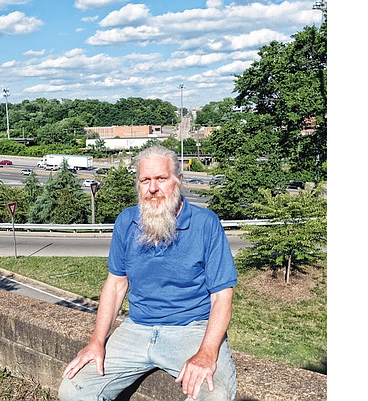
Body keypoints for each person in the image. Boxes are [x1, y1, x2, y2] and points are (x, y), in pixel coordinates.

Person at [58, 145, 238, 401]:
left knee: (216, 395)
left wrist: (208, 352)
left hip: (190, 329)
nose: (153, 188)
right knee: (73, 389)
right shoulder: (126, 221)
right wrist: (97, 341)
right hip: (136, 328)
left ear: (178, 181)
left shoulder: (205, 223)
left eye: (161, 179)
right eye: (145, 180)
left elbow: (222, 295)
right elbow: (116, 284)